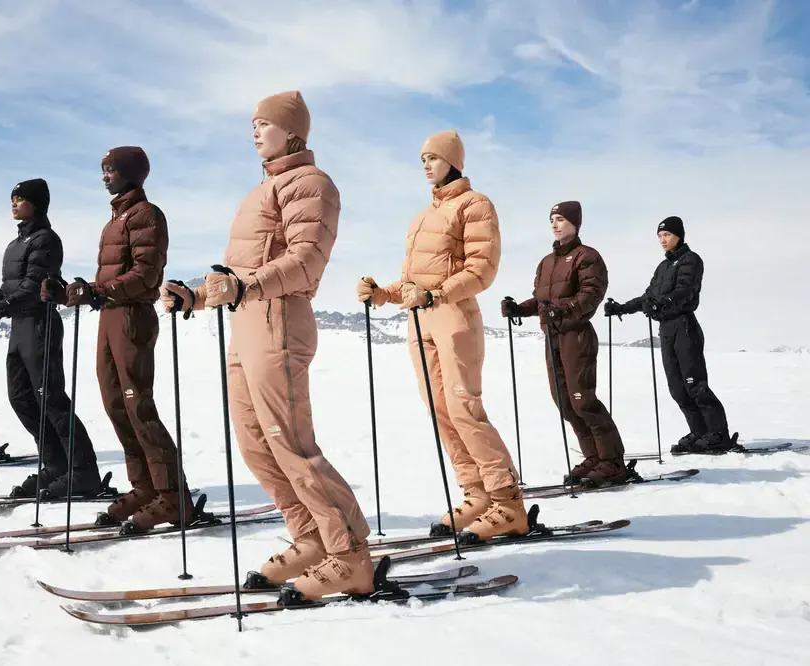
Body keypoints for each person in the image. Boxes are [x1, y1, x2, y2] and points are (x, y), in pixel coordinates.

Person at [161, 91, 372, 601]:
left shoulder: (310, 184)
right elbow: (236, 273)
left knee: (292, 445)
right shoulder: (263, 190)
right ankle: (311, 538)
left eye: (264, 124)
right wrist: (194, 294)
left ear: (293, 130)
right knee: (257, 444)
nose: (255, 131)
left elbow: (306, 261)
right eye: (252, 124)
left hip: (280, 322)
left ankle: (349, 556)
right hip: (247, 323)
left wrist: (246, 287)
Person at [357, 129, 529, 540]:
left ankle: (508, 502)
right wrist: (383, 293)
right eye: (422, 159)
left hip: (455, 316)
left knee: (464, 407)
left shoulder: (475, 205)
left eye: (433, 158)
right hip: (421, 322)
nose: (427, 165)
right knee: (440, 409)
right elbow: (411, 281)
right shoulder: (422, 217)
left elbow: (481, 270)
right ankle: (477, 494)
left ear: (453, 160)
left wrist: (434, 294)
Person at [43, 146, 193, 534]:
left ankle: (174, 497)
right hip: (109, 317)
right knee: (115, 405)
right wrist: (71, 293)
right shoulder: (115, 220)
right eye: (103, 170)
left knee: (137, 405)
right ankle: (145, 488)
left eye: (110, 170)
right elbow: (109, 279)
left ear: (130, 172)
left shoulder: (146, 215)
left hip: (132, 317)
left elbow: (147, 274)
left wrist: (101, 291)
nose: (105, 176)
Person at [0, 179, 103, 498]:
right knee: (21, 398)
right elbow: (11, 287)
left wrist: (1, 307)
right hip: (19, 329)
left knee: (52, 400)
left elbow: (34, 286)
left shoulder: (46, 240)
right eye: (12, 198)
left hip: (41, 326)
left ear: (37, 203)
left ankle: (84, 472)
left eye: (20, 198)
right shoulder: (15, 245)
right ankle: (55, 465)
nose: (13, 203)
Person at [502, 202, 628, 485]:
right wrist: (519, 309)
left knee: (583, 401)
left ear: (575, 223)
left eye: (560, 219)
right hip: (552, 337)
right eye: (552, 220)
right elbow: (541, 300)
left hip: (576, 335)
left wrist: (564, 310)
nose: (555, 225)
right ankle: (594, 457)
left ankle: (612, 462)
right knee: (565, 404)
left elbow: (591, 294)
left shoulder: (587, 256)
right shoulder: (547, 262)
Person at [605, 216, 734, 454]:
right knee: (677, 388)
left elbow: (686, 290)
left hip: (684, 326)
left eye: (667, 235)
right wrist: (621, 308)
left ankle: (718, 434)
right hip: (666, 330)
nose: (663, 240)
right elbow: (647, 297)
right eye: (660, 236)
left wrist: (663, 303)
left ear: (679, 236)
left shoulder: (691, 260)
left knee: (694, 384)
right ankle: (699, 432)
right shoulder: (662, 267)